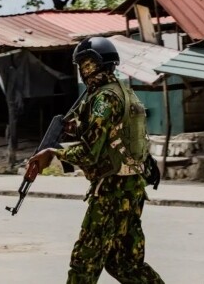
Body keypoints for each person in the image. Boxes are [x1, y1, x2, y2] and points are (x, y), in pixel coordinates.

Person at [27, 36, 164, 284]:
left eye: (85, 65)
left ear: (97, 65)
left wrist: (55, 154)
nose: (83, 71)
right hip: (133, 189)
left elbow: (91, 153)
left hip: (112, 192)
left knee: (84, 263)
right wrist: (76, 128)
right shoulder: (125, 91)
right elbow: (116, 134)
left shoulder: (103, 99)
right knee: (126, 264)